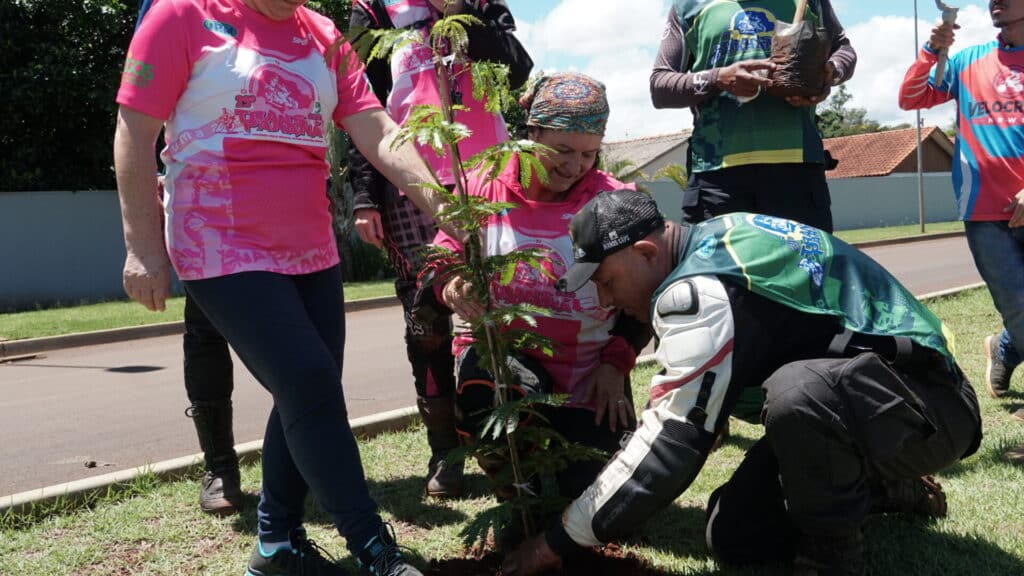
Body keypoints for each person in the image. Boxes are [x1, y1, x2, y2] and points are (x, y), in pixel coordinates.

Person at [114, 0, 447, 573]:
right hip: (217, 241)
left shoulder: (321, 32)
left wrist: (447, 206)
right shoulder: (181, 15)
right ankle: (373, 548)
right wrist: (142, 246)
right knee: (311, 380)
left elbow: (376, 127)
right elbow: (134, 129)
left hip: (310, 247)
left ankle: (277, 546)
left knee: (305, 389)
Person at [503, 190, 982, 576]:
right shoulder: (714, 238)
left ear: (645, 252)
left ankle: (831, 558)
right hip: (868, 406)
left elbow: (671, 443)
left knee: (798, 394)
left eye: (606, 280)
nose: (606, 300)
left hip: (932, 407)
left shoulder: (698, 290)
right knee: (733, 535)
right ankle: (888, 491)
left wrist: (555, 542)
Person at [347, 0, 533, 499]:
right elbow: (359, 102)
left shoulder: (482, 4)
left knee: (501, 306)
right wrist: (365, 195)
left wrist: (460, 9)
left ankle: (516, 440)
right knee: (425, 320)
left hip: (489, 177)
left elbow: (516, 72)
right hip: (410, 184)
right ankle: (444, 451)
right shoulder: (374, 12)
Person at [432, 73, 646, 502]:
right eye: (562, 150)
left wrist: (616, 364)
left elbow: (645, 297)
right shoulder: (482, 186)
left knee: (596, 503)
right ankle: (514, 485)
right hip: (501, 365)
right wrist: (450, 283)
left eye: (588, 154)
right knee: (491, 396)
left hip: (589, 377)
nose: (574, 166)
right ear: (531, 133)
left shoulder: (615, 201)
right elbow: (439, 261)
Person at [134, 0, 243, 517]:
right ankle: (219, 465)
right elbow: (140, 109)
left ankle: (305, 457)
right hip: (202, 193)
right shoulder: (166, 8)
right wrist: (141, 239)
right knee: (205, 330)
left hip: (277, 191)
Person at [898, 2, 1024, 421]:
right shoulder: (968, 61)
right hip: (985, 211)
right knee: (1019, 306)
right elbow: (911, 97)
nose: (995, 2)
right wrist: (932, 51)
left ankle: (1005, 347)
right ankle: (1010, 341)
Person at [650, 0, 857, 232]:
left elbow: (843, 50)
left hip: (798, 174)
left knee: (804, 269)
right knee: (719, 269)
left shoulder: (811, 2)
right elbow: (660, 86)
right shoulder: (688, 6)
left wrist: (830, 73)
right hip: (717, 180)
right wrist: (717, 79)